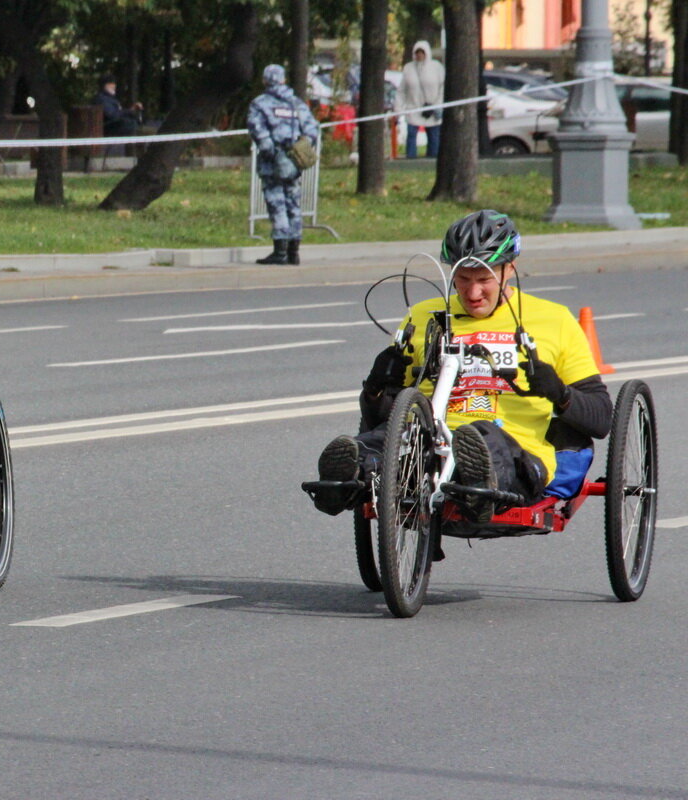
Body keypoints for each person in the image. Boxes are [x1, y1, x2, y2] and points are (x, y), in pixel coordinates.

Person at [308, 210, 612, 526]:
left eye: (483, 280)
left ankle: (478, 487)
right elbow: (384, 415)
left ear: (510, 269)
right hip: (427, 440)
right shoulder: (424, 316)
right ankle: (349, 478)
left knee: (482, 438)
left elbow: (601, 419)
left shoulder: (554, 320)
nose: (472, 293)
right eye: (462, 279)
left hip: (512, 446)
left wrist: (558, 392)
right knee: (383, 443)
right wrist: (376, 388)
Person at [246, 63, 320, 266]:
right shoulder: (296, 103)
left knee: (276, 201)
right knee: (293, 203)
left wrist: (270, 150)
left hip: (273, 162)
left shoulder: (259, 104)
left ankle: (280, 251)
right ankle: (294, 251)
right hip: (293, 162)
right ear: (283, 80)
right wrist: (299, 148)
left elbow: (257, 129)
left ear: (264, 81)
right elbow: (312, 129)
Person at [399, 41, 445, 159]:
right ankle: (411, 159)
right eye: (417, 53)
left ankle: (433, 159)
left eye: (422, 53)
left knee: (434, 136)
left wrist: (438, 105)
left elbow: (442, 87)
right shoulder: (408, 68)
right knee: (411, 134)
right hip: (413, 108)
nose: (419, 55)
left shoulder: (437, 67)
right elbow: (402, 90)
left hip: (432, 108)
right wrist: (399, 107)